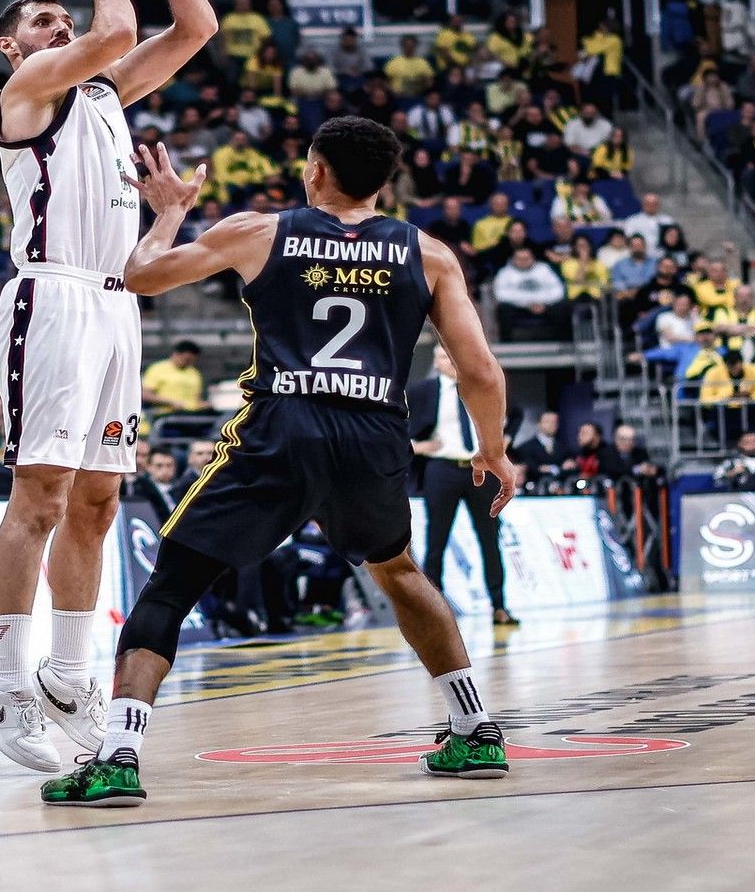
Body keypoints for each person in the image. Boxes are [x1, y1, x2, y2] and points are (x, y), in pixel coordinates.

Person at [39, 118, 515, 808]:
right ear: (386, 183)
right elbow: (480, 370)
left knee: (172, 584)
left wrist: (168, 211)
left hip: (283, 426)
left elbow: (140, 277)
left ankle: (117, 757)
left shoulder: (260, 231)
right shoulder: (430, 253)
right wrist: (493, 449)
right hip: (374, 431)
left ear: (315, 170)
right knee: (398, 570)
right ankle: (476, 729)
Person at [0, 0, 217, 774]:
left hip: (117, 304)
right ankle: (3, 683)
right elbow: (115, 32)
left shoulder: (104, 92)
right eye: (42, 20)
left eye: (62, 16)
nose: (60, 24)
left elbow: (195, 28)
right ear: (12, 47)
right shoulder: (28, 90)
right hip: (54, 297)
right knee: (39, 496)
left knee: (100, 501)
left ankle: (70, 676)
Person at [408, 344, 513, 626]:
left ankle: (499, 606)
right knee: (437, 540)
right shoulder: (422, 392)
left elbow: (512, 414)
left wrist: (503, 441)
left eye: (453, 355)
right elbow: (398, 426)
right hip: (441, 468)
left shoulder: (480, 386)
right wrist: (419, 447)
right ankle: (434, 611)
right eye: (444, 357)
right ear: (436, 363)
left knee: (490, 539)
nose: (450, 361)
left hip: (480, 469)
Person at [141, 339, 207, 416]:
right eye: (186, 359)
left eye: (192, 361)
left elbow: (197, 399)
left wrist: (204, 405)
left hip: (192, 413)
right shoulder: (158, 369)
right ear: (176, 354)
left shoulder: (194, 373)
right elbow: (145, 395)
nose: (188, 363)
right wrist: (170, 402)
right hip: (168, 414)